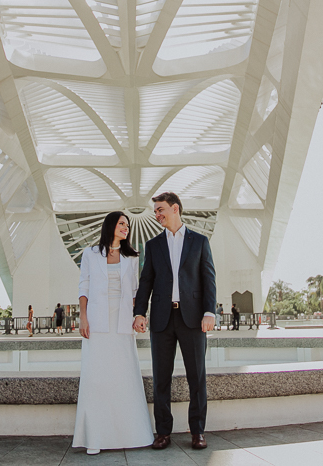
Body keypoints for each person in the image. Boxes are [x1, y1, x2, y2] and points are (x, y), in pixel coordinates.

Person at [134, 192, 216, 451]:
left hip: (193, 319)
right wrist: (139, 312)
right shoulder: (153, 245)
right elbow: (146, 280)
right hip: (161, 319)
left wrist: (210, 312)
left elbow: (209, 279)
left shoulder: (200, 241)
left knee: (197, 378)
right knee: (161, 378)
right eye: (156, 211)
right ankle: (163, 432)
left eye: (160, 209)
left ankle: (198, 431)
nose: (157, 215)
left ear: (175, 209)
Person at [72, 211, 153, 455]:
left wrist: (139, 316)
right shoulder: (90, 253)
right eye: (121, 223)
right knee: (96, 378)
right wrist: (83, 317)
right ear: (110, 226)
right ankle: (95, 437)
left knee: (125, 376)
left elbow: (136, 290)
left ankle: (132, 435)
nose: (126, 227)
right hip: (96, 322)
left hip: (123, 322)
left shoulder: (132, 256)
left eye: (127, 225)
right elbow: (84, 285)